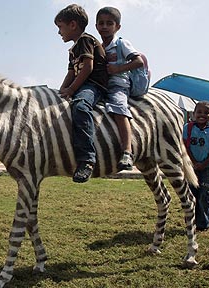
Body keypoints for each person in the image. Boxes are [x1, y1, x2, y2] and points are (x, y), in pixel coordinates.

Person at [54, 4, 108, 183]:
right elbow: (71, 73)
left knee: (80, 106)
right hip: (83, 84)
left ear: (73, 25)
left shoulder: (85, 40)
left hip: (94, 85)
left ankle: (87, 159)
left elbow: (87, 68)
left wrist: (71, 90)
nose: (59, 32)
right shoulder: (73, 49)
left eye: (60, 27)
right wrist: (60, 91)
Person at [95, 7, 144, 171]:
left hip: (118, 85)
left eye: (109, 23)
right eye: (101, 23)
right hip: (102, 86)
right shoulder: (99, 47)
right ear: (96, 26)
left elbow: (138, 62)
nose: (104, 26)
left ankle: (127, 151)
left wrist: (118, 69)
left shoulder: (121, 43)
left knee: (118, 108)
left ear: (117, 27)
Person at [183, 101, 209, 232]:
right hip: (191, 167)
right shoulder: (188, 128)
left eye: (206, 112)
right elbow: (185, 147)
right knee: (191, 195)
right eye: (199, 112)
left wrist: (204, 164)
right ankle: (191, 222)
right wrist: (194, 162)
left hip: (208, 167)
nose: (202, 115)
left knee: (205, 195)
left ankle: (203, 224)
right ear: (193, 114)